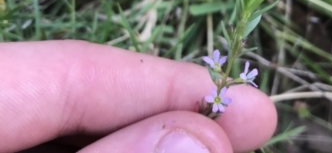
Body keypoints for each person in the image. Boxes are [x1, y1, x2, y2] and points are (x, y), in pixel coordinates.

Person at [0, 40, 277, 153]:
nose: (218, 100)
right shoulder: (215, 88)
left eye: (218, 101)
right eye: (217, 100)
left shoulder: (221, 93)